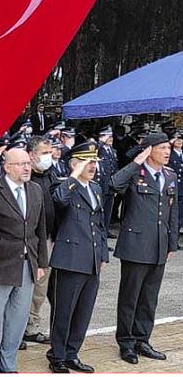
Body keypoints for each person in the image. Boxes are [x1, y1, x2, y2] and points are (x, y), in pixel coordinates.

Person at [0, 147, 49, 374]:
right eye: (21, 164)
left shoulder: (35, 190)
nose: (27, 168)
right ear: (6, 167)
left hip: (26, 265)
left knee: (17, 320)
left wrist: (41, 264)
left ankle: (8, 363)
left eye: (28, 163)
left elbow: (40, 230)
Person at [110, 133, 177, 365]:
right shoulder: (134, 174)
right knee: (130, 296)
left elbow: (172, 211)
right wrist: (137, 161)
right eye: (161, 148)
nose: (167, 152)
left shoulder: (170, 175)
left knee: (149, 298)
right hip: (135, 246)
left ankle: (142, 340)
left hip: (159, 245)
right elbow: (114, 184)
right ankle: (126, 342)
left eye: (168, 148)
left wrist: (171, 243)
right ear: (148, 151)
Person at [48, 142, 108, 373]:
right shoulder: (65, 185)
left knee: (83, 311)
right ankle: (57, 355)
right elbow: (59, 201)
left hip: (91, 258)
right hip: (69, 258)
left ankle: (72, 353)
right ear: (74, 164)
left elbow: (100, 224)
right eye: (87, 162)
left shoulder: (96, 188)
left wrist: (102, 253)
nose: (92, 166)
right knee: (64, 310)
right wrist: (73, 175)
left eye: (94, 162)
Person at [24, 136, 59, 346]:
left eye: (50, 152)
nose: (49, 156)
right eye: (44, 153)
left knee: (40, 288)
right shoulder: (24, 177)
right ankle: (16, 328)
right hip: (27, 240)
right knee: (22, 286)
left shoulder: (50, 175)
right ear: (31, 154)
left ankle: (31, 326)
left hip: (47, 239)